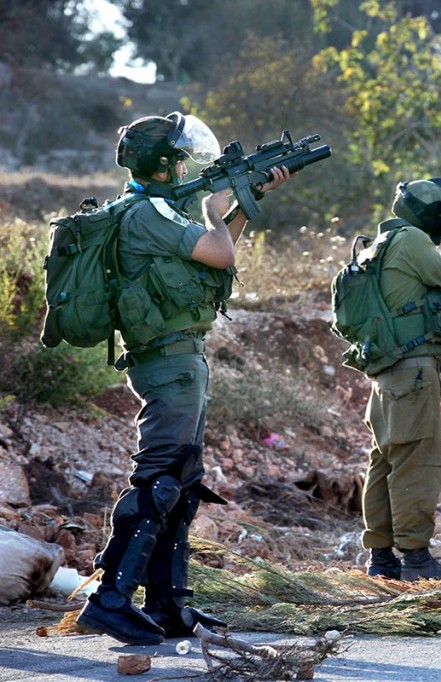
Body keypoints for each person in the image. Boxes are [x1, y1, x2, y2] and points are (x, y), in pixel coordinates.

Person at [75, 112, 293, 645]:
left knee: (181, 484)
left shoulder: (157, 209)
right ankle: (108, 600)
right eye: (179, 158)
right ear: (165, 164)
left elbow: (215, 259)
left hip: (183, 358)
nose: (185, 165)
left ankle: (168, 606)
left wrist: (242, 200)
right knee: (159, 482)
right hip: (166, 363)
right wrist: (214, 209)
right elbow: (219, 247)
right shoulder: (147, 212)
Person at [357, 178, 441, 583]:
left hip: (388, 371)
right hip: (412, 371)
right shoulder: (412, 241)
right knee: (417, 461)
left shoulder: (385, 240)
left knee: (385, 460)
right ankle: (415, 559)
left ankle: (381, 557)